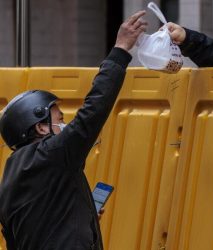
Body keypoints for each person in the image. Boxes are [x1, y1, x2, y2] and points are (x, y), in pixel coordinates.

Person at [0, 10, 147, 250]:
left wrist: (81, 218)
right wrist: (120, 50)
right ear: (40, 126)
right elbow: (94, 109)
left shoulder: (10, 177)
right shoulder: (53, 154)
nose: (65, 124)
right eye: (60, 118)